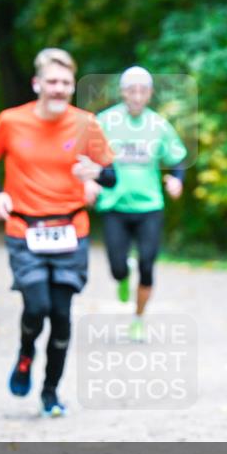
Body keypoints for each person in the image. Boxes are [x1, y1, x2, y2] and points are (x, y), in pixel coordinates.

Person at [0, 48, 115, 417]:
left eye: (66, 83)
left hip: (71, 227)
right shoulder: (10, 121)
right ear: (37, 83)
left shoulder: (87, 124)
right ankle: (26, 353)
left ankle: (50, 393)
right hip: (24, 227)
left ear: (73, 86)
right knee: (36, 307)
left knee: (61, 315)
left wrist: (95, 180)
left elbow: (110, 174)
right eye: (52, 82)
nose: (58, 89)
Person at [85, 67, 187, 340]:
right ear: (123, 91)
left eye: (143, 90)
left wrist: (177, 180)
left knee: (147, 264)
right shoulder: (105, 121)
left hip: (149, 206)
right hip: (114, 205)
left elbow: (177, 157)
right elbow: (87, 156)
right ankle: (122, 277)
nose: (137, 96)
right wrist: (90, 182)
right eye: (132, 90)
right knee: (118, 266)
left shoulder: (158, 125)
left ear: (150, 93)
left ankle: (139, 319)